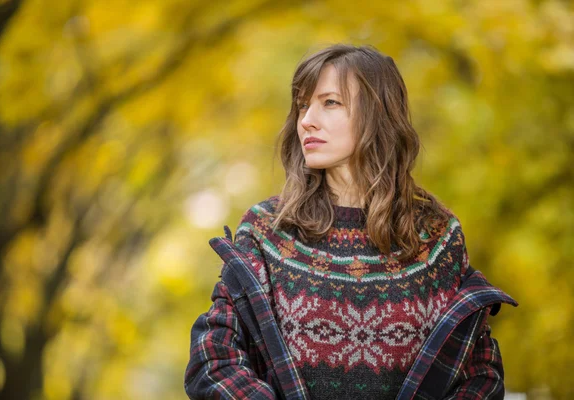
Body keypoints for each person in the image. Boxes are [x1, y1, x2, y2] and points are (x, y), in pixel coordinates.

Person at [184, 44, 518, 399]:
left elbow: (480, 373)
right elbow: (214, 359)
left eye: (330, 102)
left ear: (377, 113)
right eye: (302, 105)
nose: (307, 119)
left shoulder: (436, 236)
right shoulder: (266, 229)